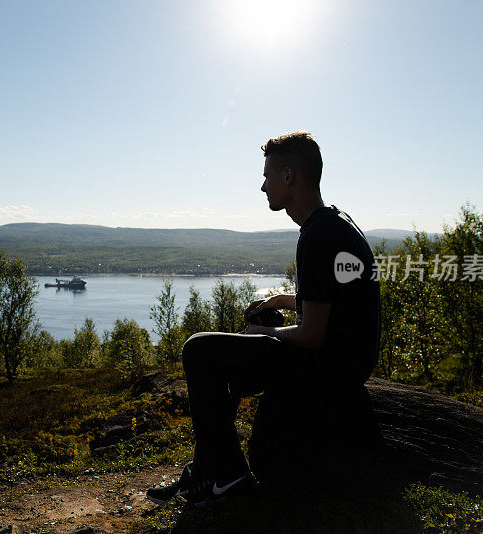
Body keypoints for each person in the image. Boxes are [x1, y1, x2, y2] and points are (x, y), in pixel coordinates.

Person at [145, 131, 380, 507]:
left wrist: (264, 332)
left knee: (199, 350)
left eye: (268, 175)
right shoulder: (333, 223)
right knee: (242, 338)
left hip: (333, 366)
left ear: (289, 176)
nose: (262, 186)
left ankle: (227, 476)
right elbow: (335, 301)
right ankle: (208, 467)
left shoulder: (319, 235)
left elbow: (314, 335)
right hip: (349, 359)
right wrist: (281, 300)